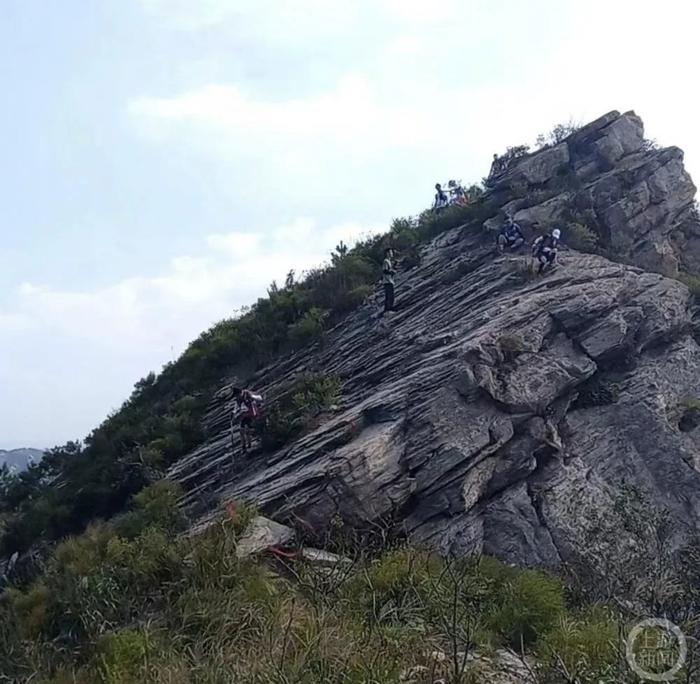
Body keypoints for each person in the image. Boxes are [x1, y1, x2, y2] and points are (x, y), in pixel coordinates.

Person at [232, 387, 263, 452]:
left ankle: (250, 443)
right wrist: (234, 413)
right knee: (242, 430)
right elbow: (236, 407)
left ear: (240, 393)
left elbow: (259, 398)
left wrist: (253, 398)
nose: (237, 397)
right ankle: (244, 446)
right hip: (245, 415)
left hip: (253, 413)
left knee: (249, 429)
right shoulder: (238, 400)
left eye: (237, 395)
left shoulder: (248, 394)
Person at [382, 247, 396, 314]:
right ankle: (388, 309)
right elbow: (385, 271)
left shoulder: (389, 261)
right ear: (387, 253)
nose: (392, 253)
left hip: (390, 280)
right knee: (389, 295)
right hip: (387, 281)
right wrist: (391, 272)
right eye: (390, 252)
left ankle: (388, 308)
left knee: (390, 295)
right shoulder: (386, 261)